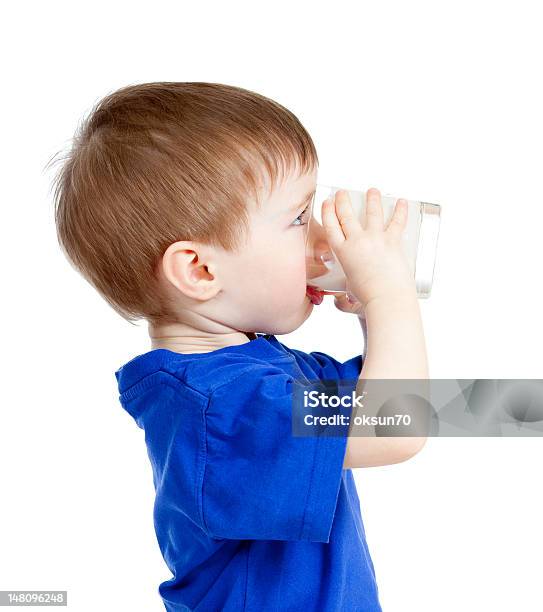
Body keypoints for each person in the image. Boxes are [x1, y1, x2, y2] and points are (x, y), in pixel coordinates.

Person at [51, 81, 428, 611]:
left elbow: (416, 403)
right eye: (298, 217)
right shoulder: (224, 408)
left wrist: (374, 315)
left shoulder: (256, 371)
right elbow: (396, 425)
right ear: (201, 270)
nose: (321, 235)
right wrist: (389, 292)